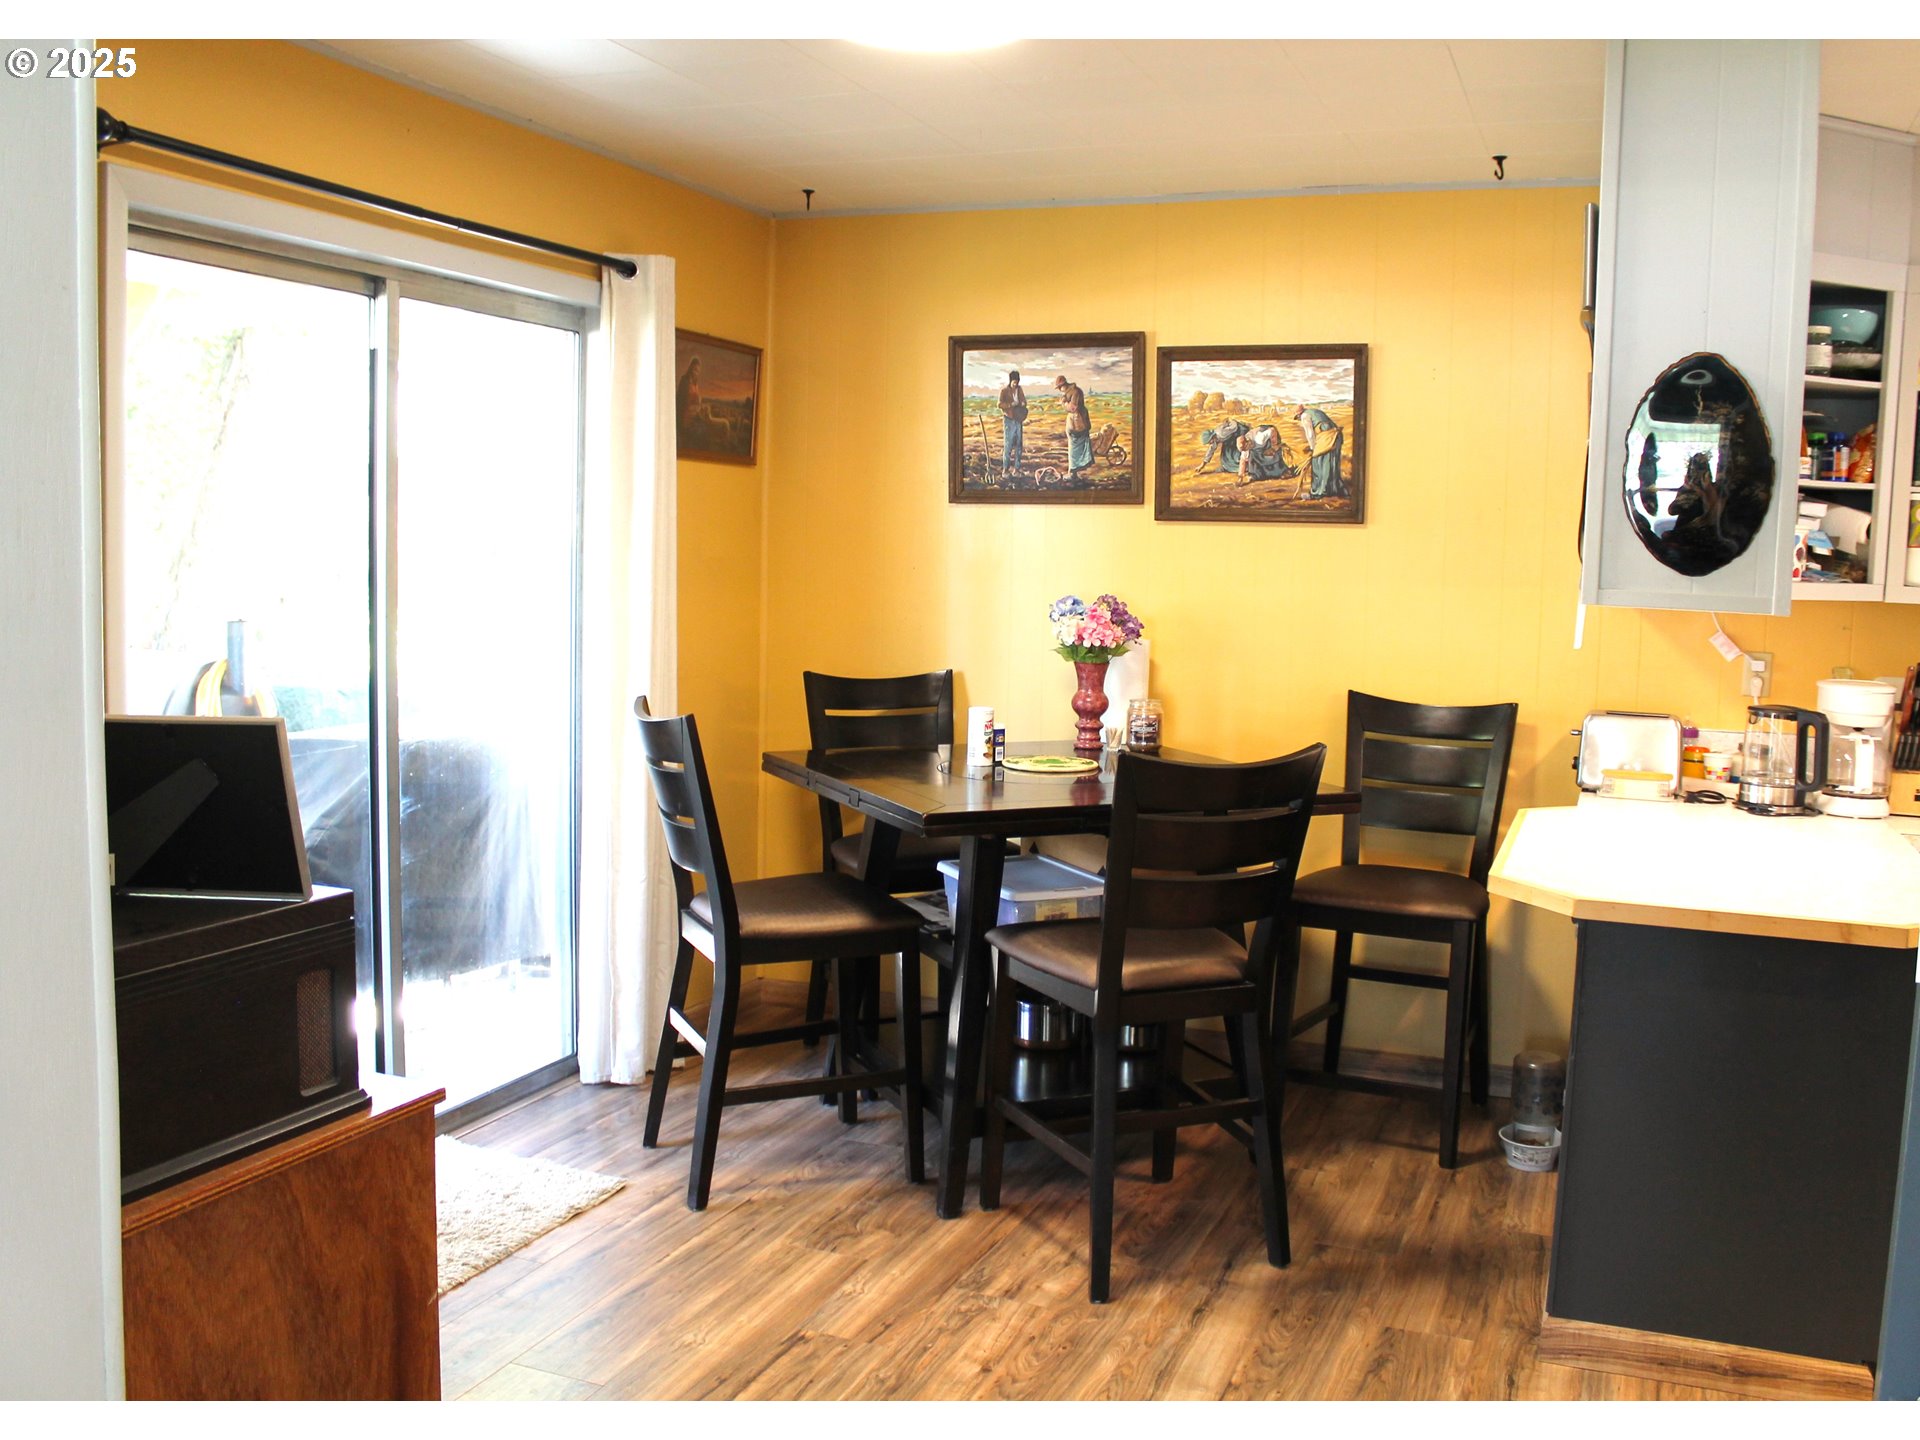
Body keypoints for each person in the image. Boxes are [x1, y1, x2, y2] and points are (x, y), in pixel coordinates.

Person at [1293, 403, 1347, 499]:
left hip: (1327, 438)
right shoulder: (1316, 411)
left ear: (1298, 414)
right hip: (1336, 437)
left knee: (1319, 462)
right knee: (1332, 463)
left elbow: (1310, 434)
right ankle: (1334, 489)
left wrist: (1313, 448)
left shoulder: (1305, 416)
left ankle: (1319, 492)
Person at [1055, 374, 1093, 476]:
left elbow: (1073, 408)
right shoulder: (1071, 392)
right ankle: (1074, 472)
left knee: (1073, 448)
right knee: (1074, 447)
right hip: (1075, 421)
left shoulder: (1075, 392)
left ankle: (1072, 473)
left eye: (1059, 387)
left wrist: (1063, 403)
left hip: (1077, 422)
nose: (1059, 390)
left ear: (1064, 385)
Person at [998, 369, 1028, 476]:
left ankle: (1017, 469)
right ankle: (1005, 470)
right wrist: (1011, 404)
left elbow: (1024, 401)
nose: (1016, 384)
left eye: (1017, 382)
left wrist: (1023, 403)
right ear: (1010, 381)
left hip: (1018, 419)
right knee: (1008, 444)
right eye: (1014, 382)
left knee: (1019, 445)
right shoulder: (1004, 391)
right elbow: (1000, 405)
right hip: (1009, 420)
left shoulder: (1019, 390)